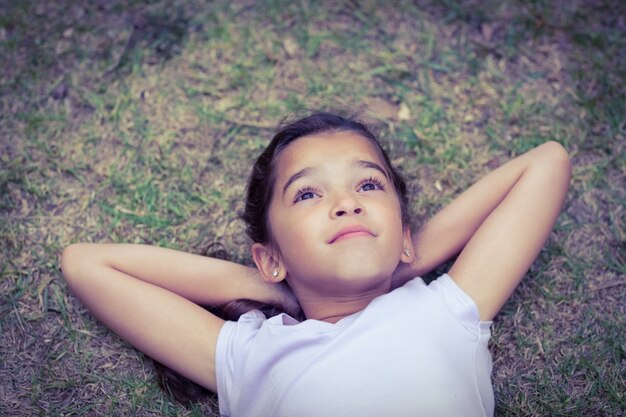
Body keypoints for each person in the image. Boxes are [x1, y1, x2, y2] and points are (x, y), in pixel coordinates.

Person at [61, 112, 571, 417]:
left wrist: (401, 265)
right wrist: (276, 286)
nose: (347, 203)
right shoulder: (250, 356)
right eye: (307, 193)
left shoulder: (445, 309)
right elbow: (86, 264)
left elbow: (547, 162)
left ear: (406, 235)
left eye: (368, 185)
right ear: (271, 256)